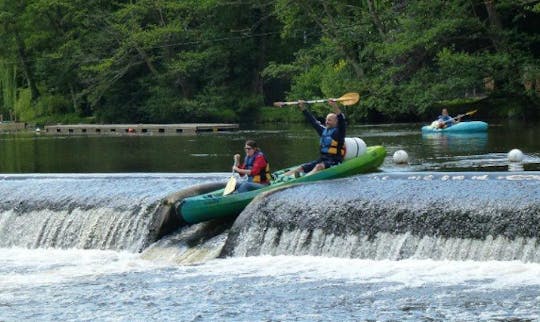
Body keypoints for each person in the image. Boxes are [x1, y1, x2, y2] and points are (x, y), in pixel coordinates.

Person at [285, 99, 346, 177]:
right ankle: (283, 177)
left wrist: (334, 105)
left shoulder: (340, 132)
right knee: (300, 168)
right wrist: (303, 108)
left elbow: (341, 119)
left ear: (336, 122)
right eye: (326, 120)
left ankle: (304, 179)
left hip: (335, 160)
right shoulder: (323, 130)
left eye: (329, 120)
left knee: (318, 167)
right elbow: (312, 121)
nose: (327, 122)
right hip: (322, 159)